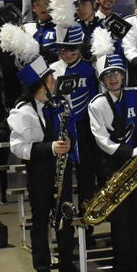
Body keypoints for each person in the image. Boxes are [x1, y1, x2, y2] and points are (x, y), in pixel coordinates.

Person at [7, 42, 78, 272]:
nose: (54, 82)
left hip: (62, 170)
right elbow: (19, 147)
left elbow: (68, 131)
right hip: (40, 174)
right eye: (50, 79)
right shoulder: (23, 111)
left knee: (64, 220)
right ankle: (43, 271)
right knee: (40, 223)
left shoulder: (58, 104)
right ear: (41, 83)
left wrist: (68, 142)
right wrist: (49, 148)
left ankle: (68, 268)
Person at [88, 49, 137, 272]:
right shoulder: (96, 105)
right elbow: (102, 141)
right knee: (120, 218)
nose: (113, 78)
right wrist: (130, 151)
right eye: (107, 75)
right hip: (113, 165)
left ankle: (136, 262)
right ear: (102, 79)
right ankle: (121, 265)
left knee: (136, 215)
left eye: (116, 73)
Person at [47, 25, 98, 217]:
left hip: (85, 130)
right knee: (63, 181)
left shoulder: (89, 69)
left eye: (72, 50)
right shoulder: (52, 70)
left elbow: (94, 99)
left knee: (86, 180)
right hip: (61, 131)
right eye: (63, 50)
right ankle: (65, 227)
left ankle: (87, 226)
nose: (67, 54)